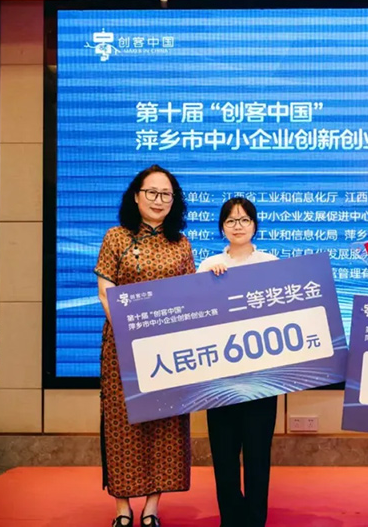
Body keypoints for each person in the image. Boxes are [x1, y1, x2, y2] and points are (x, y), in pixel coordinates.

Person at [95, 165, 195, 527]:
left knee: (164, 425)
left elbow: (191, 296)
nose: (158, 200)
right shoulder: (116, 237)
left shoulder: (181, 243)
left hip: (167, 350)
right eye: (151, 192)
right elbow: (106, 291)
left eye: (166, 194)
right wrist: (131, 335)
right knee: (121, 424)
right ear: (136, 196)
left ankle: (152, 506)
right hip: (122, 349)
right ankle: (122, 507)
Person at [198, 197, 278, 527]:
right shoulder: (209, 265)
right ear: (222, 228)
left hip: (262, 377)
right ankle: (231, 518)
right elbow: (196, 316)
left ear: (255, 225)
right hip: (219, 378)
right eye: (231, 221)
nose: (238, 226)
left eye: (244, 220)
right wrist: (208, 283)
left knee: (258, 454)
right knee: (224, 453)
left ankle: (256, 519)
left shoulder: (271, 264)